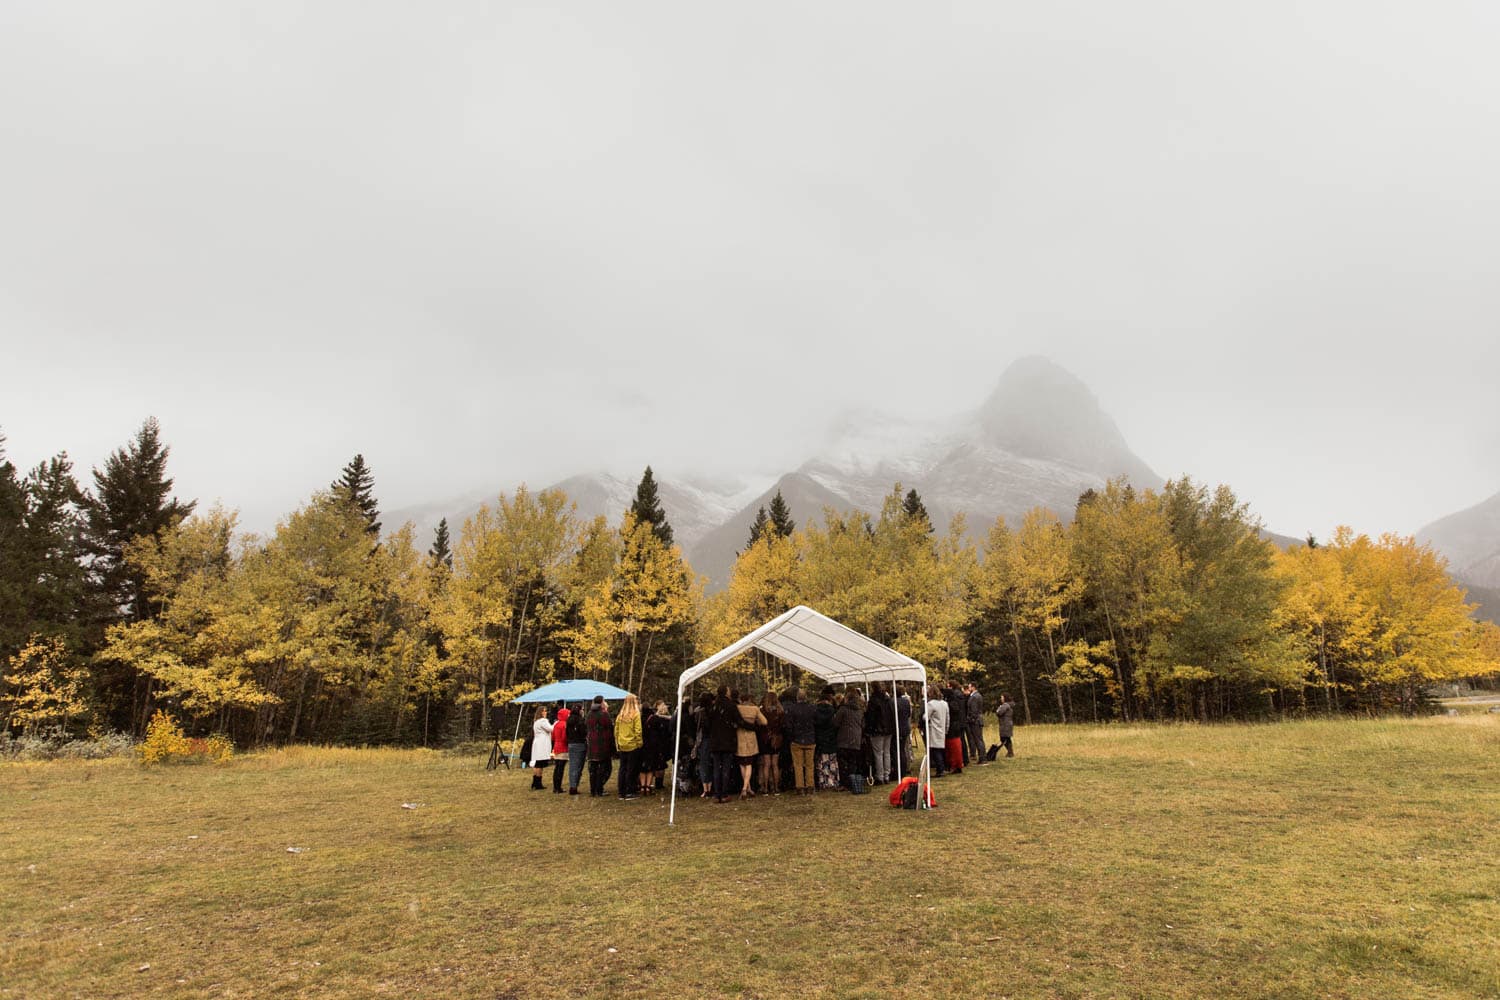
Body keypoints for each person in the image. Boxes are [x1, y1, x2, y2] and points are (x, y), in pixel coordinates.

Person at [706, 685, 743, 803]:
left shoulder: (714, 706)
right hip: (727, 741)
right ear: (727, 692)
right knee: (726, 768)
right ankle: (724, 793)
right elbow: (739, 721)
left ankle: (717, 794)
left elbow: (708, 723)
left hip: (716, 741)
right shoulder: (731, 706)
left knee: (717, 768)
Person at [782, 687, 817, 795]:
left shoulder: (792, 709)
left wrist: (792, 736)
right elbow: (816, 722)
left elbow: (788, 725)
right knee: (810, 764)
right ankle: (810, 786)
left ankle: (800, 787)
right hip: (810, 739)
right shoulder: (812, 708)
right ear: (806, 697)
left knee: (798, 765)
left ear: (797, 698)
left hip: (797, 740)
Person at [735, 690, 768, 800]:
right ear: (750, 700)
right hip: (750, 737)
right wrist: (754, 721)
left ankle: (747, 788)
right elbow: (764, 722)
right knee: (749, 763)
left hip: (739, 736)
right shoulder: (755, 709)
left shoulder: (738, 708)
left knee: (741, 763)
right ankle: (745, 788)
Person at [833, 688, 866, 790]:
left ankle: (844, 784)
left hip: (844, 740)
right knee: (853, 763)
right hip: (856, 740)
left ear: (847, 698)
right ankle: (853, 783)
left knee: (843, 764)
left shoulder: (843, 709)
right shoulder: (860, 710)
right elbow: (863, 724)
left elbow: (835, 723)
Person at [864, 682, 896, 784]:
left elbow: (871, 717)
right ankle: (886, 775)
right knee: (886, 752)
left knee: (878, 753)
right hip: (888, 729)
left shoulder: (873, 701)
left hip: (877, 730)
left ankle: (880, 776)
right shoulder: (888, 700)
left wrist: (869, 729)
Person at [615, 694, 644, 800]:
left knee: (622, 768)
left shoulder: (620, 715)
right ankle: (630, 791)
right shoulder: (636, 714)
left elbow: (616, 730)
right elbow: (638, 730)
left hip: (622, 744)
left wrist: (618, 742)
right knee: (631, 769)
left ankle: (621, 791)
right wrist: (639, 742)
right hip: (632, 744)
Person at [641, 701, 673, 795]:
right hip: (655, 744)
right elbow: (663, 730)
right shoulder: (655, 718)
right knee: (653, 766)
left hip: (643, 743)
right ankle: (649, 786)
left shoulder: (639, 718)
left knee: (643, 767)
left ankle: (643, 786)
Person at [585, 696, 615, 797]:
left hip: (592, 744)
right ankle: (599, 788)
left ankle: (593, 789)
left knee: (593, 769)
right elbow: (609, 727)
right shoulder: (603, 714)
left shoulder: (589, 714)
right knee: (604, 768)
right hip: (602, 744)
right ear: (602, 703)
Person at [813, 686, 841, 791]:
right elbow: (835, 724)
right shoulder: (832, 710)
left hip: (820, 738)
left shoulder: (815, 710)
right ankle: (832, 781)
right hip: (831, 738)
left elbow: (815, 724)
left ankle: (822, 781)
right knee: (832, 761)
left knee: (822, 761)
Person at [757, 691, 785, 795]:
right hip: (776, 739)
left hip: (765, 739)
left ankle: (765, 788)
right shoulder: (780, 711)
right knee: (775, 764)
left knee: (766, 764)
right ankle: (776, 787)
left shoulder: (762, 710)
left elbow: (760, 725)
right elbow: (782, 726)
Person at [924, 683, 949, 779]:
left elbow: (926, 717)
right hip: (942, 728)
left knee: (935, 751)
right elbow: (947, 718)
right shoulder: (944, 703)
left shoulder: (931, 704)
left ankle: (940, 769)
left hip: (934, 729)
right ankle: (942, 767)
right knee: (940, 749)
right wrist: (946, 728)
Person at [691, 692, 714, 797]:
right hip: (712, 739)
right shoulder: (713, 711)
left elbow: (696, 727)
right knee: (711, 763)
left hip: (703, 739)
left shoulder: (698, 712)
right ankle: (710, 786)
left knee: (704, 764)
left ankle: (706, 788)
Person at [943, 680, 966, 774]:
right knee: (957, 746)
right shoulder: (959, 698)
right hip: (957, 725)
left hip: (952, 727)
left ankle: (954, 765)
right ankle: (958, 764)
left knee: (952, 747)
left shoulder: (950, 703)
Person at [565, 701, 588, 795]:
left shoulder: (569, 720)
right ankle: (574, 786)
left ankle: (573, 785)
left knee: (573, 766)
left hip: (571, 744)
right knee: (578, 766)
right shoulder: (579, 720)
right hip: (579, 743)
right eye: (582, 709)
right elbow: (583, 732)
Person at [530, 706, 553, 790]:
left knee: (537, 763)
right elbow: (550, 729)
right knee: (540, 764)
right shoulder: (543, 721)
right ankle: (538, 783)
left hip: (537, 742)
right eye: (544, 711)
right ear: (540, 712)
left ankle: (535, 781)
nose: (545, 713)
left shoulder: (536, 722)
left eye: (546, 711)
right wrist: (556, 724)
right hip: (542, 744)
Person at [550, 702, 571, 793]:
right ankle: (558, 787)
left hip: (556, 747)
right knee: (561, 768)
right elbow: (564, 737)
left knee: (557, 767)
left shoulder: (556, 724)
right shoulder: (564, 724)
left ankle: (555, 787)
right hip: (563, 747)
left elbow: (553, 737)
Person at [966, 683, 986, 767]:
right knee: (979, 739)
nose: (968, 688)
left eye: (970, 687)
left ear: (973, 687)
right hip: (978, 720)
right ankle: (982, 757)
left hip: (975, 721)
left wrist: (971, 719)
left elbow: (973, 710)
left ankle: (982, 758)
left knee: (978, 739)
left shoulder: (974, 697)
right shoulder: (978, 696)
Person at [896, 684, 913, 778]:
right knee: (905, 748)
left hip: (899, 727)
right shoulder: (906, 702)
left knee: (900, 749)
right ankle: (907, 767)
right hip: (905, 726)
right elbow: (909, 713)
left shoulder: (895, 702)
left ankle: (902, 768)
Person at [996, 693, 1015, 757]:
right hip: (1008, 723)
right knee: (1007, 738)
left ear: (1005, 698)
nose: (1001, 699)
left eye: (1002, 697)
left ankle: (1010, 752)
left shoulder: (1005, 705)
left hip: (1005, 724)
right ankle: (1010, 752)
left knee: (1003, 738)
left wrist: (998, 709)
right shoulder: (1009, 705)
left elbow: (999, 713)